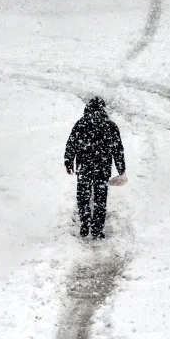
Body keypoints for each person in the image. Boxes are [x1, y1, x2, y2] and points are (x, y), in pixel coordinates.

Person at [64, 97, 126, 239]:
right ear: (103, 109)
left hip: (84, 166)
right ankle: (97, 229)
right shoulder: (110, 126)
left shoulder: (81, 124)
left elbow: (71, 144)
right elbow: (118, 150)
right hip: (102, 168)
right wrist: (121, 169)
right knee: (100, 199)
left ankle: (85, 222)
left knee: (83, 196)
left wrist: (69, 162)